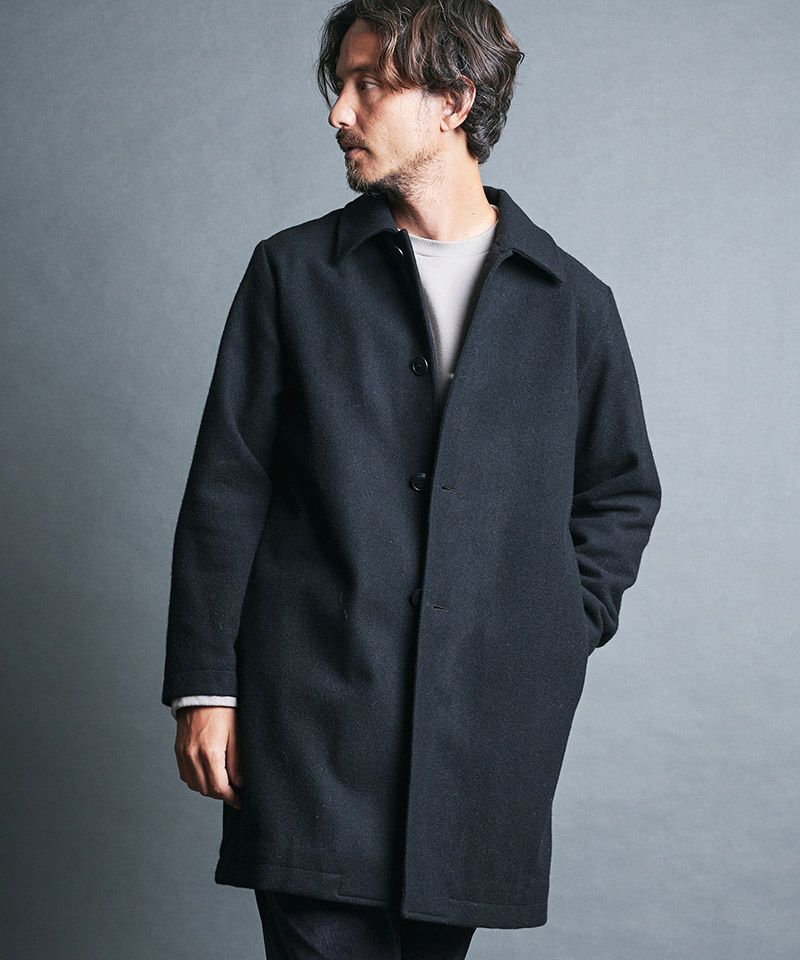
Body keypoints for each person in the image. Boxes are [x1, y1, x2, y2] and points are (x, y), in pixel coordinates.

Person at [162, 1, 662, 957]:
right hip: (310, 717)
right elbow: (229, 484)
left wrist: (559, 622)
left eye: (369, 86)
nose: (338, 112)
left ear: (453, 102)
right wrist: (205, 686)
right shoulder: (293, 274)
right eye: (339, 85)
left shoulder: (572, 304)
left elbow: (619, 491)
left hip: (480, 737)